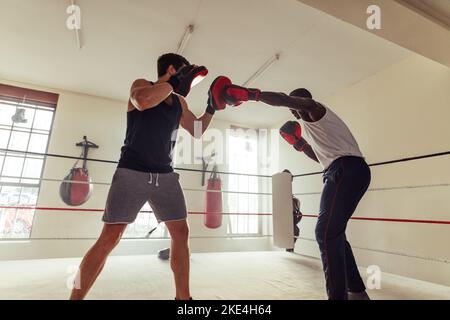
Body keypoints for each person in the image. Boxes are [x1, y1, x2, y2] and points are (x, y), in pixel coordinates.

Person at [70, 53, 214, 301]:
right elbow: (142, 102)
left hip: (165, 175)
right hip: (131, 171)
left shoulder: (180, 103)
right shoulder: (142, 85)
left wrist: (212, 106)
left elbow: (197, 130)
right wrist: (171, 84)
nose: (188, 81)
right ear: (171, 69)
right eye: (185, 73)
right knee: (110, 237)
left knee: (181, 232)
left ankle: (184, 299)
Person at [215, 79, 371, 300]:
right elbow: (320, 158)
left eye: (293, 107)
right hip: (347, 170)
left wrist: (250, 94)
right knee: (333, 233)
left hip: (345, 169)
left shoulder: (315, 109)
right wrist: (298, 144)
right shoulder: (317, 126)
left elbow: (287, 100)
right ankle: (357, 292)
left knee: (325, 233)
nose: (293, 112)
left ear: (300, 102)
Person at [282, 169, 302, 253]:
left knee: (295, 230)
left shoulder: (295, 201)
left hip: (292, 222)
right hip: (284, 221)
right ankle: (289, 249)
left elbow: (297, 216)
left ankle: (289, 249)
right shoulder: (279, 194)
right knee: (294, 230)